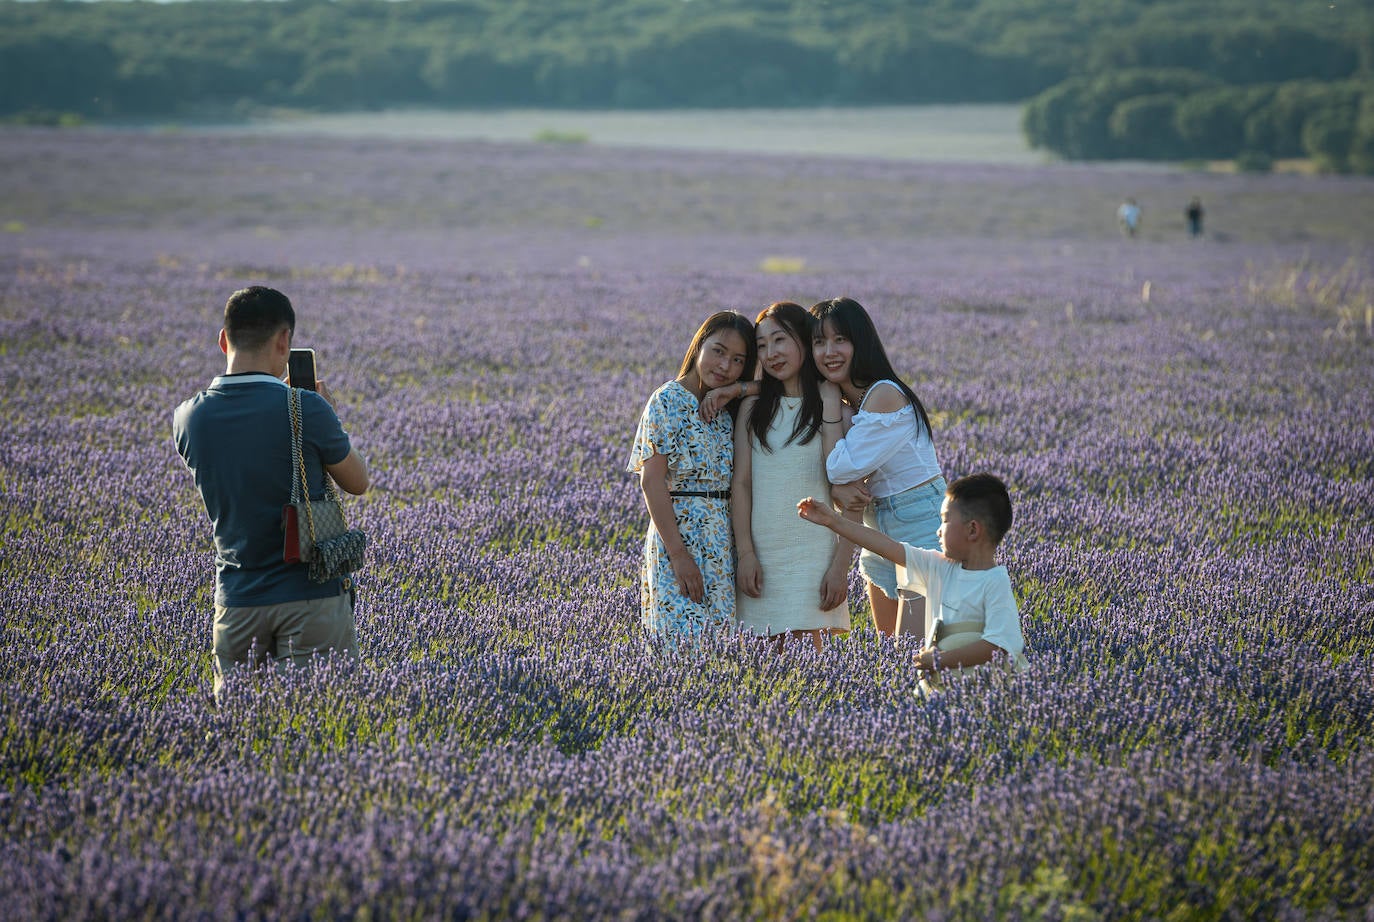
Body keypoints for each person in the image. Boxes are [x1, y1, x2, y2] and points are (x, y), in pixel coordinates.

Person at [173, 286, 369, 699]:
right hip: (310, 596)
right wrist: (324, 410)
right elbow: (358, 481)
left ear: (223, 340)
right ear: (284, 342)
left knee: (239, 731)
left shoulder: (189, 418)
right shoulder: (307, 407)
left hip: (237, 601)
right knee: (316, 724)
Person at [798, 472, 1028, 694]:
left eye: (945, 521)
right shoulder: (940, 567)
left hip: (985, 693)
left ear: (972, 530)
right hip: (941, 690)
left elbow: (997, 646)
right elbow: (888, 547)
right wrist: (834, 521)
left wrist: (939, 659)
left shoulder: (995, 581)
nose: (938, 530)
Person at [810, 296, 944, 638]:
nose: (830, 352)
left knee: (915, 655)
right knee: (890, 654)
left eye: (841, 339)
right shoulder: (851, 403)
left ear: (861, 342)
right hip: (876, 527)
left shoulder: (884, 395)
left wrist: (828, 404)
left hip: (919, 525)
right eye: (819, 342)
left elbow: (841, 470)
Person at [727, 302, 854, 650]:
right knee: (764, 666)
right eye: (762, 345)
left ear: (804, 340)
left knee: (810, 669)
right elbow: (742, 484)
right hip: (763, 555)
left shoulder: (834, 411)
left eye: (780, 340)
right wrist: (746, 552)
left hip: (813, 557)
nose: (771, 354)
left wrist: (840, 568)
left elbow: (852, 498)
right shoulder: (753, 409)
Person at [627, 311, 758, 638]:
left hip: (720, 545)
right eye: (718, 351)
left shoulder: (727, 409)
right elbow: (651, 481)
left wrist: (737, 391)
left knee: (716, 654)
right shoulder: (667, 400)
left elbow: (786, 388)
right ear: (698, 345)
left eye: (738, 360)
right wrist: (679, 555)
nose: (725, 366)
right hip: (679, 538)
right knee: (679, 646)